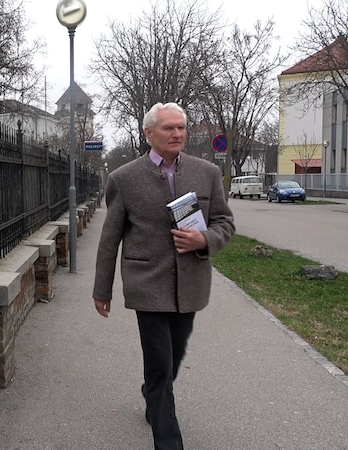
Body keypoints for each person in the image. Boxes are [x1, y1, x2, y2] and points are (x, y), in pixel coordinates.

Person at [92, 102, 235, 449]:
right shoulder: (123, 179)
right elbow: (110, 239)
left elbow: (225, 223)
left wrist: (204, 239)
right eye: (169, 128)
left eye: (181, 128)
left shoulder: (207, 174)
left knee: (173, 359)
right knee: (159, 364)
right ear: (149, 133)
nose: (177, 134)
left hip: (190, 284)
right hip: (147, 284)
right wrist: (102, 289)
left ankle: (152, 395)